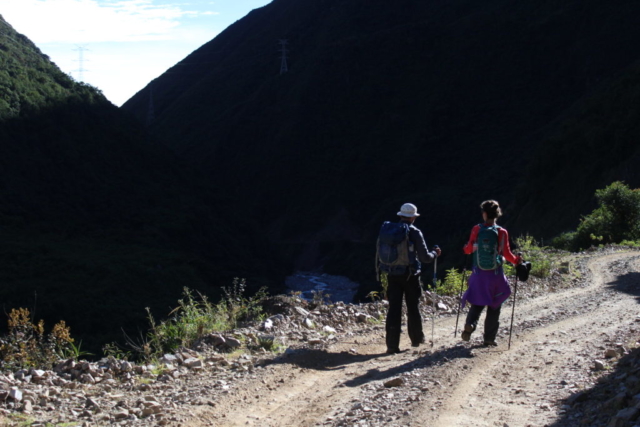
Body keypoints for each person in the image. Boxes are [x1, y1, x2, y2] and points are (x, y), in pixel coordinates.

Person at [460, 200, 522, 346]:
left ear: (485, 213)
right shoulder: (501, 232)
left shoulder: (476, 229)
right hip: (496, 275)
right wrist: (517, 261)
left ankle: (471, 324)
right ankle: (489, 338)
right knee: (495, 305)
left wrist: (466, 248)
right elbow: (507, 253)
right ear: (497, 214)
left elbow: (468, 250)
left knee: (477, 302)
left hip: (478, 274)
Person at [383, 203, 441, 354]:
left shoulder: (389, 230)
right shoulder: (414, 232)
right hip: (411, 275)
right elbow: (425, 257)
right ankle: (416, 339)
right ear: (413, 217)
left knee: (394, 309)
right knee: (412, 307)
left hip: (392, 274)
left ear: (400, 215)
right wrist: (435, 253)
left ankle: (391, 345)